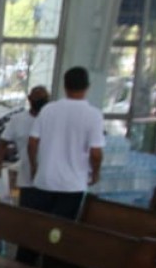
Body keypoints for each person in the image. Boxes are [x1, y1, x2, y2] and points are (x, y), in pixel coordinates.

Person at [25, 65, 104, 221]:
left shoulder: (48, 110)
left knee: (37, 230)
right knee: (60, 233)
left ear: (64, 85)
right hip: (73, 185)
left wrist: (34, 166)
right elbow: (96, 153)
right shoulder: (93, 115)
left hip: (45, 180)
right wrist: (95, 173)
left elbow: (32, 142)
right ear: (88, 86)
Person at [0, 85, 49, 180]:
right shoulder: (17, 120)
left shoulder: (53, 120)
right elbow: (2, 142)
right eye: (36, 99)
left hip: (48, 177)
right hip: (25, 175)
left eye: (42, 99)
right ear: (29, 99)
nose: (39, 102)